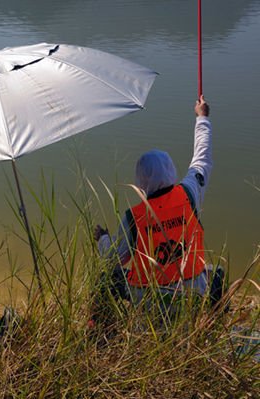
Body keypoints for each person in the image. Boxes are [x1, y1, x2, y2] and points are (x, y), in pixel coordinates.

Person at [93, 95, 225, 319]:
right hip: (191, 294)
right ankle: (212, 323)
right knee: (217, 275)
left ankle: (99, 328)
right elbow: (202, 158)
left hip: (148, 299)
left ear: (140, 182)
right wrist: (202, 117)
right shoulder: (189, 194)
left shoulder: (134, 217)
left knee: (107, 278)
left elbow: (113, 258)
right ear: (171, 171)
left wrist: (102, 238)